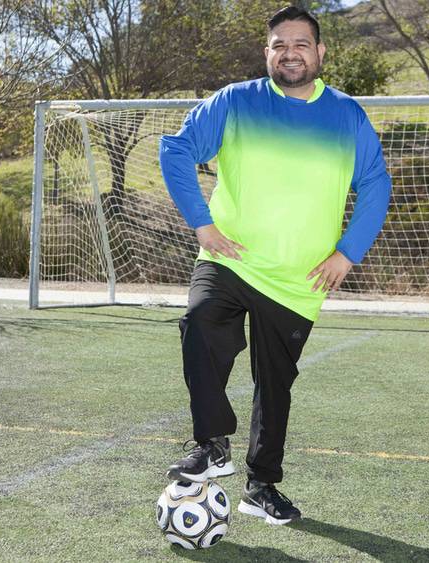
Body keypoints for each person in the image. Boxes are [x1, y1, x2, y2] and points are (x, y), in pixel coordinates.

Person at [158, 5, 391, 526]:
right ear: (267, 52)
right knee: (199, 323)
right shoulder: (235, 102)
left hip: (299, 278)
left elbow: (376, 183)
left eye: (301, 44)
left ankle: (260, 486)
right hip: (230, 259)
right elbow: (176, 150)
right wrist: (202, 222)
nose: (290, 53)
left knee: (275, 384)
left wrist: (347, 253)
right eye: (279, 45)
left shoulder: (346, 114)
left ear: (320, 52)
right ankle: (212, 445)